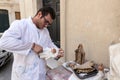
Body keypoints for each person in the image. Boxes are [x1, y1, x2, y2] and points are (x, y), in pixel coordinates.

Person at [0, 7, 64, 80]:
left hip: (40, 74)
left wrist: (57, 52)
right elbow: (3, 42)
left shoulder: (45, 31)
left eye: (49, 24)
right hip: (23, 75)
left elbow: (50, 44)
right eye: (46, 21)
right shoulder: (21, 25)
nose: (46, 25)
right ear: (39, 14)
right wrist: (32, 45)